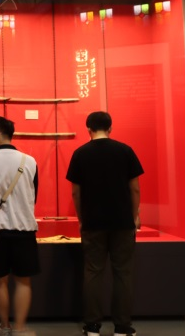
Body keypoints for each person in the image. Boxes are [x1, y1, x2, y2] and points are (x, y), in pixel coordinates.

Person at [67, 112, 143, 336]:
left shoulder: (80, 153)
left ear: (88, 129)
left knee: (93, 272)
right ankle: (122, 327)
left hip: (93, 222)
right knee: (123, 273)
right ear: (110, 128)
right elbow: (135, 188)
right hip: (122, 222)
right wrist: (134, 216)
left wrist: (82, 219)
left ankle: (92, 326)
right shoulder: (125, 151)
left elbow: (76, 193)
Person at [0, 116, 40, 336]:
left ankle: (4, 327)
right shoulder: (30, 161)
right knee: (24, 281)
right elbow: (34, 196)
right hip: (25, 228)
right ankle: (21, 328)